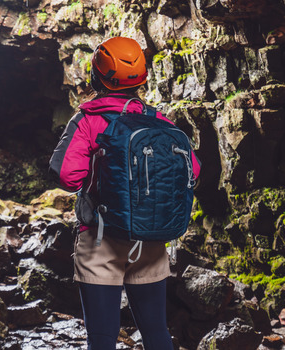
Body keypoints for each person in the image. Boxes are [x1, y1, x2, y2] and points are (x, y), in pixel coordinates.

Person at [48, 36, 201, 350]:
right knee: (156, 331)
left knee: (102, 338)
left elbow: (66, 175)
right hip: (151, 239)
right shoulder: (159, 121)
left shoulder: (88, 119)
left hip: (100, 239)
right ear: (142, 78)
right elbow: (193, 171)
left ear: (97, 75)